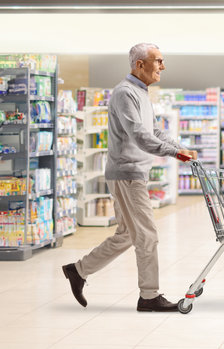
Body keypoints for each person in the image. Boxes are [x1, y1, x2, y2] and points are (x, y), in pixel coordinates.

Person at [62, 43, 197, 312]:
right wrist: (175, 154)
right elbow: (139, 135)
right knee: (147, 235)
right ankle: (149, 296)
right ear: (139, 65)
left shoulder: (141, 93)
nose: (163, 66)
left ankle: (78, 270)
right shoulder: (125, 93)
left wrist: (179, 148)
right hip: (128, 174)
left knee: (126, 235)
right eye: (158, 61)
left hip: (133, 172)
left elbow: (155, 131)